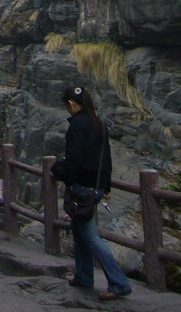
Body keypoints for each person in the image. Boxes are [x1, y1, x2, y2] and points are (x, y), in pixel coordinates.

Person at [53, 85, 132, 301]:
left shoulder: (78, 125)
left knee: (90, 236)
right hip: (95, 188)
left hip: (81, 188)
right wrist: (105, 187)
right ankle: (84, 275)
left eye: (66, 106)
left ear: (71, 104)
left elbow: (73, 159)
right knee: (79, 232)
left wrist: (59, 172)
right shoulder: (98, 123)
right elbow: (106, 158)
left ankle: (119, 283)